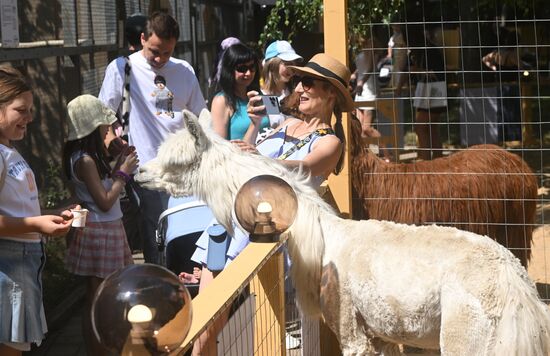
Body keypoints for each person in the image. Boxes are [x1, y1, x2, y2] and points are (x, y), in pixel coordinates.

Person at [191, 53, 354, 355]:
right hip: (227, 223)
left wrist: (258, 156)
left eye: (309, 82)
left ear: (331, 93)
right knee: (203, 324)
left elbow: (302, 168)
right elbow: (252, 142)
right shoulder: (285, 122)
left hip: (260, 236)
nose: (300, 87)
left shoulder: (330, 142)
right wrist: (252, 130)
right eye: (298, 80)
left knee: (218, 323)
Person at [99, 11, 206, 264]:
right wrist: (114, 138)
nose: (160, 59)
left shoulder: (184, 70)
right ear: (143, 38)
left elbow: (200, 114)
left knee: (186, 230)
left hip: (183, 167)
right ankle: (161, 286)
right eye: (155, 51)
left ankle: (189, 286)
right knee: (156, 231)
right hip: (146, 168)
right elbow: (102, 111)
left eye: (167, 53)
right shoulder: (122, 68)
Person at [0, 66, 75, 356]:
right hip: (8, 266)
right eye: (22, 110)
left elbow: (15, 208)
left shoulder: (9, 150)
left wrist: (54, 213)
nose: (30, 118)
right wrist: (36, 224)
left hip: (22, 263)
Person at [62, 95, 138, 355]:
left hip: (108, 228)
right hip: (99, 230)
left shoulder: (89, 156)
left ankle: (106, 346)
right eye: (104, 127)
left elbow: (106, 189)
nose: (109, 131)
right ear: (92, 129)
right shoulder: (84, 160)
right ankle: (98, 350)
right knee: (96, 298)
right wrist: (123, 173)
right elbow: (105, 200)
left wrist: (119, 161)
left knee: (105, 293)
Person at [209, 42, 270, 140]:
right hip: (240, 155)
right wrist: (254, 123)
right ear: (229, 70)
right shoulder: (221, 101)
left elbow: (276, 124)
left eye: (252, 67)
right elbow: (219, 147)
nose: (248, 73)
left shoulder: (261, 94)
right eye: (242, 69)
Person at [410, 26, 447, 160]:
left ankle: (426, 161)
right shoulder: (424, 50)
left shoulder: (429, 50)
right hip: (432, 90)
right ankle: (438, 160)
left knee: (420, 128)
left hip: (432, 90)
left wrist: (417, 70)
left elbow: (434, 73)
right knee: (431, 129)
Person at [352, 36, 391, 161]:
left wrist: (360, 83)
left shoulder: (371, 50)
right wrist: (354, 74)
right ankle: (365, 156)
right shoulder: (360, 50)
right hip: (360, 91)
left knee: (366, 127)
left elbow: (369, 69)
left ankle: (387, 155)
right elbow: (362, 68)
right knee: (359, 128)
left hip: (369, 90)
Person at [260, 40, 303, 128]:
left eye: (294, 65)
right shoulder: (263, 95)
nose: (292, 70)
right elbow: (276, 123)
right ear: (272, 64)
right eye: (287, 64)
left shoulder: (295, 91)